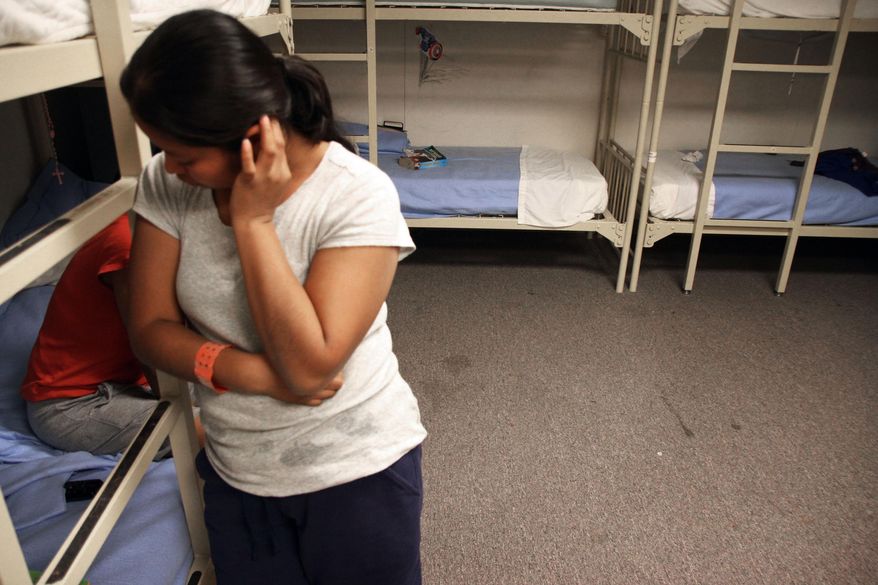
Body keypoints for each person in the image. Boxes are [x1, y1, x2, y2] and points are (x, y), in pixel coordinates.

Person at [119, 9, 427, 585]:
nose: (170, 170)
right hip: (238, 471)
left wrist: (254, 222)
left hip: (355, 470)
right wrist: (251, 374)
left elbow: (311, 367)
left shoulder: (356, 195)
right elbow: (150, 326)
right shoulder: (167, 181)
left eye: (186, 157)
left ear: (252, 135)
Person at [20, 214, 177, 456]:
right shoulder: (130, 240)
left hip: (131, 381)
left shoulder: (174, 228)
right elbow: (149, 346)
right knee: (224, 428)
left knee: (240, 397)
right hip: (72, 403)